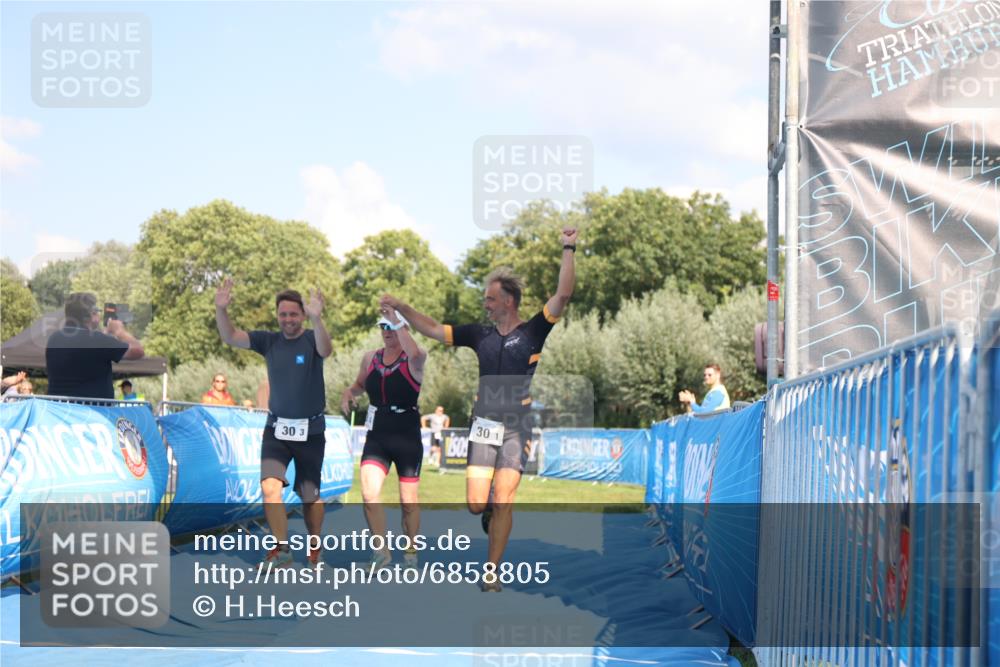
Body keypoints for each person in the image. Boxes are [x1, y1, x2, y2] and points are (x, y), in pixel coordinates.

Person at [381, 227, 577, 592]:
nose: (485, 304)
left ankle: (492, 570)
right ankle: (487, 509)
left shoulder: (535, 330)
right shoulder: (479, 334)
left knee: (505, 498)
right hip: (484, 423)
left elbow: (563, 293)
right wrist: (403, 310)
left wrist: (569, 247)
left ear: (509, 301)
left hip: (517, 424)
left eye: (490, 299)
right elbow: (436, 331)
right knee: (476, 504)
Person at [215, 279, 333, 568]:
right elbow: (230, 336)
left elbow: (327, 349)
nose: (288, 319)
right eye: (283, 314)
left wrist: (318, 319)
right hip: (276, 429)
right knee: (270, 486)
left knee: (310, 497)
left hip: (311, 430)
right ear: (277, 316)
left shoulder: (311, 339)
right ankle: (281, 550)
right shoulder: (268, 341)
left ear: (302, 316)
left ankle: (315, 547)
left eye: (294, 314)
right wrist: (220, 309)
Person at [341, 307, 427, 570]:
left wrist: (398, 320)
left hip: (407, 435)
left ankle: (410, 550)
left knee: (408, 502)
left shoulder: (416, 358)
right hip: (378, 434)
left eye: (392, 327)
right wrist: (349, 392)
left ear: (404, 329)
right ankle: (381, 552)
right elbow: (359, 385)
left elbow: (414, 352)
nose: (387, 332)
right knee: (368, 492)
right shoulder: (370, 358)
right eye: (383, 327)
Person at [46, 292, 144, 399]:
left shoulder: (54, 338)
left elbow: (85, 347)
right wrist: (119, 331)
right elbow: (138, 351)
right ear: (91, 314)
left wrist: (104, 335)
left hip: (59, 411)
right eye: (97, 311)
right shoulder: (97, 340)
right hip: (93, 412)